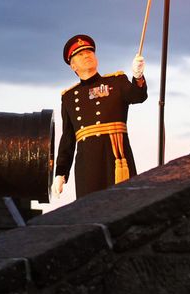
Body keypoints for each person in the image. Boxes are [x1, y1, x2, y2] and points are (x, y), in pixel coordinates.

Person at [52, 34, 147, 199]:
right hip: (88, 165)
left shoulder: (116, 82)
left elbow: (138, 96)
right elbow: (68, 138)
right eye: (80, 54)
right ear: (73, 66)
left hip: (116, 158)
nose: (87, 55)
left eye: (89, 51)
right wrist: (60, 172)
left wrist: (137, 76)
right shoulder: (68, 97)